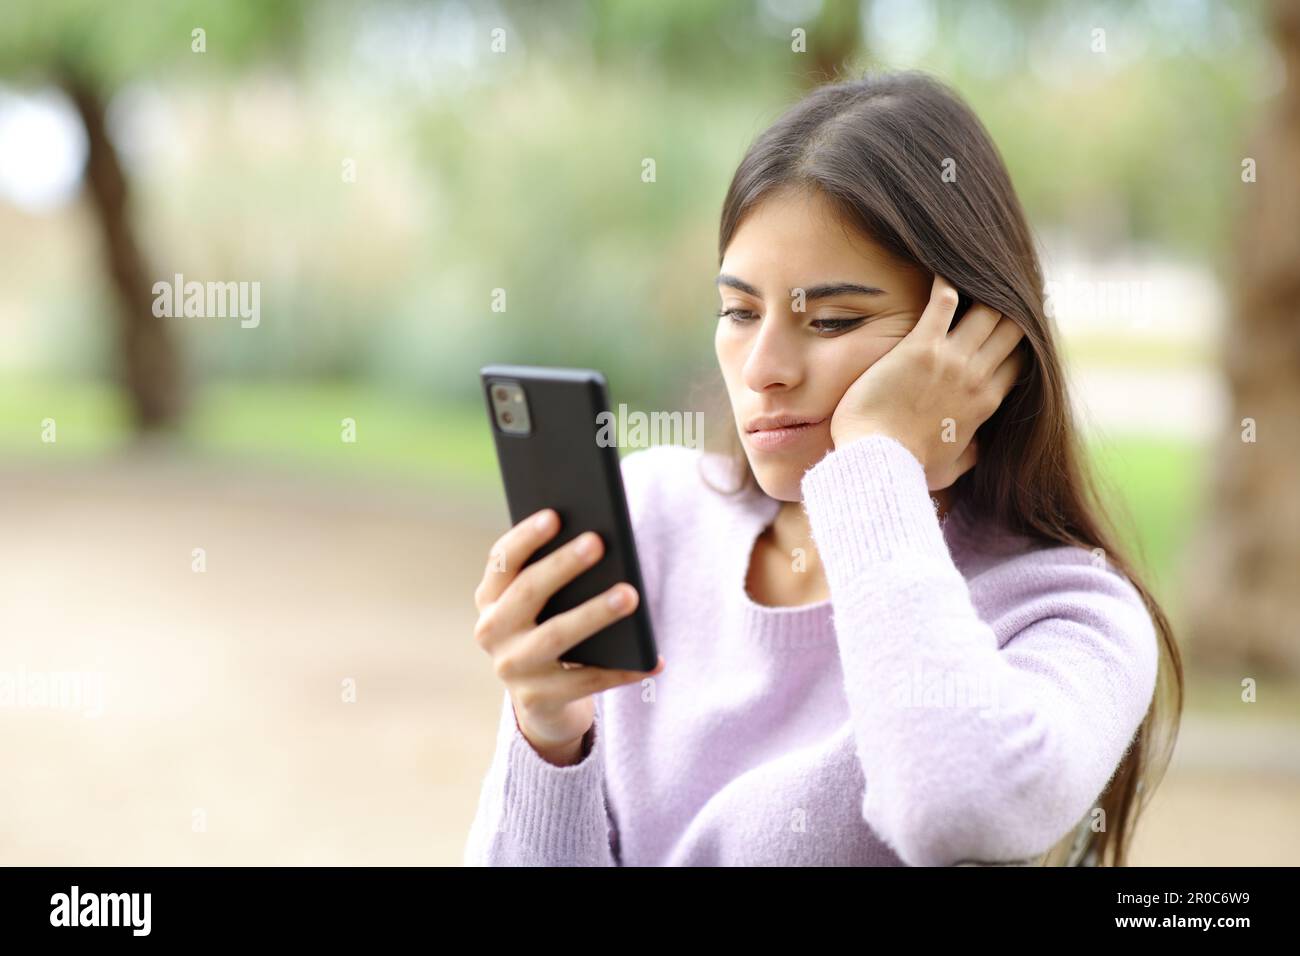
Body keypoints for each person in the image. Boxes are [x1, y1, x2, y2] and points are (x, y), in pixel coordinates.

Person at [463, 69, 1183, 867]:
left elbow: (954, 809)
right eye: (739, 312)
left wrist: (878, 460)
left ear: (981, 341)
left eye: (833, 319)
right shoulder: (648, 519)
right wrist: (549, 732)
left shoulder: (1072, 613)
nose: (763, 367)